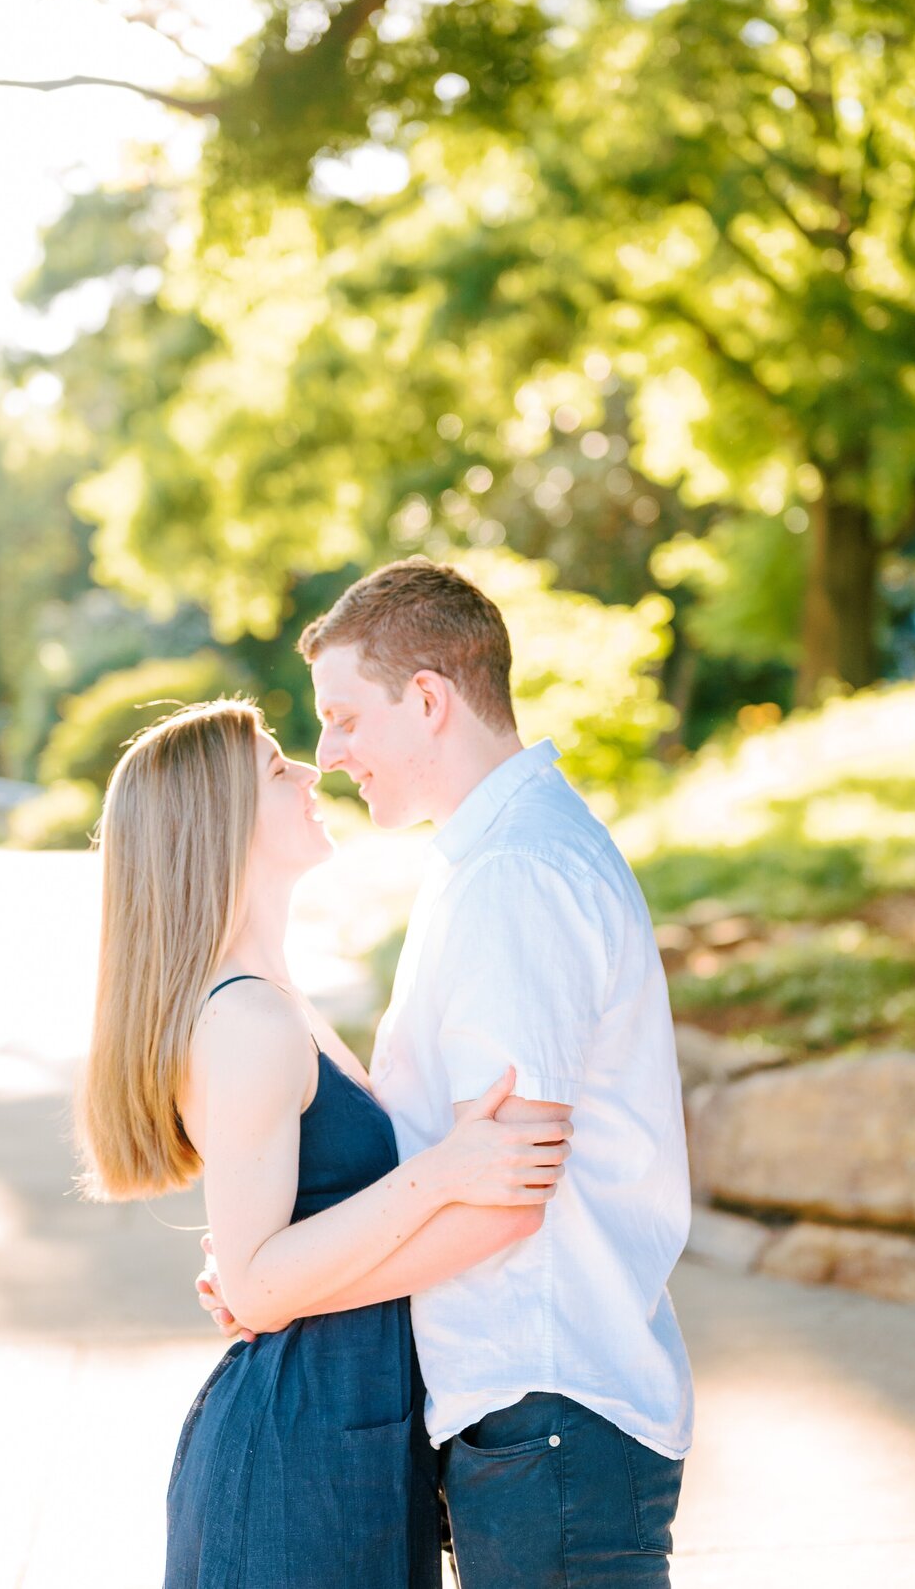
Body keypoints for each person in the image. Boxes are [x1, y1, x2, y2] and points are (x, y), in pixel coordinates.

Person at [199, 559, 694, 1587]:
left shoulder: (513, 874)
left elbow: (503, 1198)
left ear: (427, 699)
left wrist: (278, 1292)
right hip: (533, 1421)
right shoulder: (486, 859)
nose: (330, 755)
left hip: (548, 1412)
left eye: (342, 718)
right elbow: (454, 1157)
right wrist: (280, 1271)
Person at [77, 697, 573, 1589]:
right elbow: (263, 1285)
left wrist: (265, 1272)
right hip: (295, 1468)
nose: (310, 770)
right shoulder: (248, 1019)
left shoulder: (276, 1000)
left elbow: (262, 1266)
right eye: (276, 768)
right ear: (217, 823)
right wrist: (439, 1176)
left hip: (351, 1449)